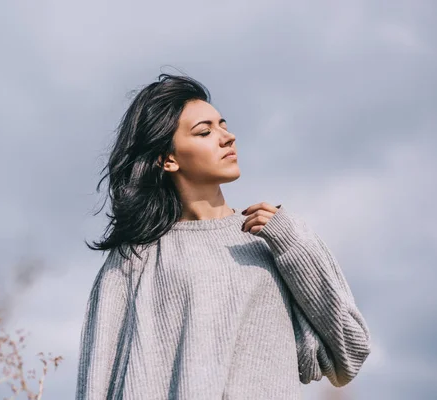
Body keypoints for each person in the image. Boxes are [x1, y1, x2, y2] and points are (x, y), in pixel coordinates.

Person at [76, 74, 371, 399]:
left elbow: (349, 355)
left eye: (223, 125)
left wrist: (295, 244)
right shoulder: (134, 258)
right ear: (168, 159)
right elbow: (97, 381)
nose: (227, 137)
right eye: (204, 131)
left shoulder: (271, 241)